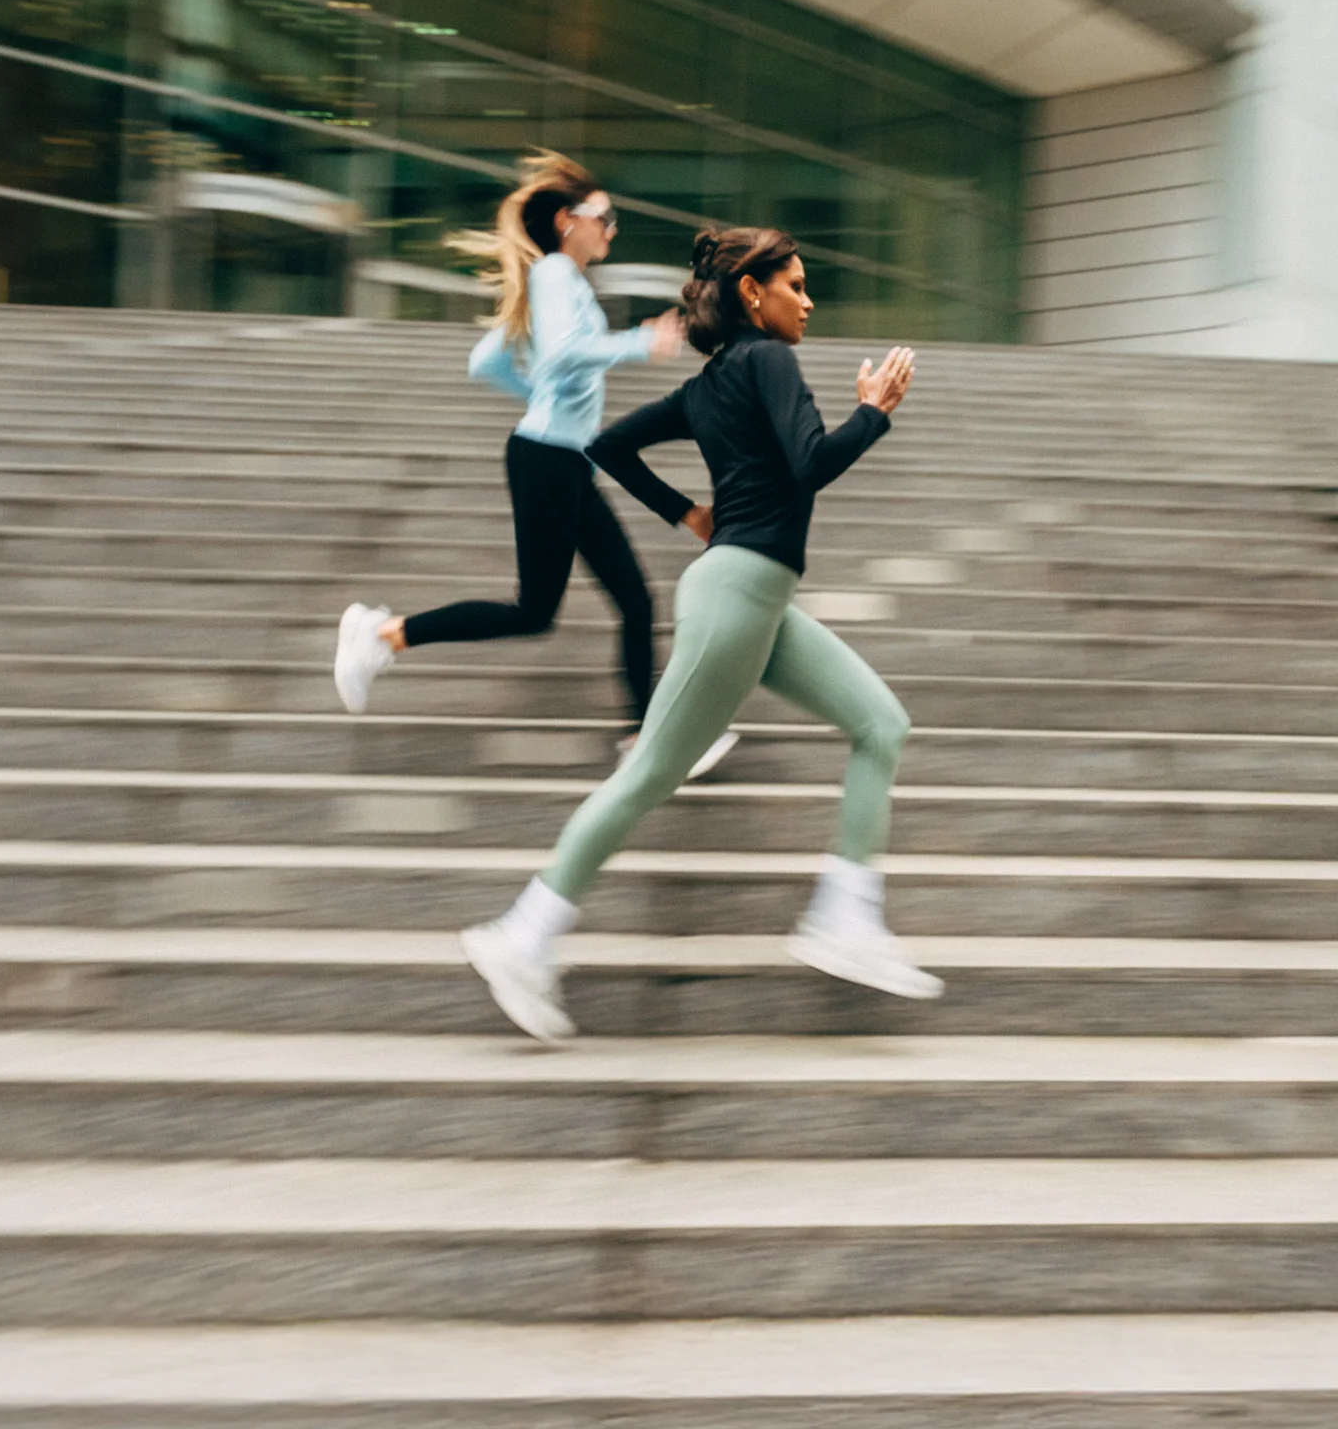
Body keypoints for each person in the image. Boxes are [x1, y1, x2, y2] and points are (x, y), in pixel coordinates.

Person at [461, 225, 932, 1043]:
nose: (808, 299)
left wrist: (687, 514)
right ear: (753, 292)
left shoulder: (715, 381)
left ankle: (845, 919)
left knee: (879, 724)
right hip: (738, 592)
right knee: (647, 772)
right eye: (795, 284)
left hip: (756, 596)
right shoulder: (767, 360)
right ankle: (522, 935)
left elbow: (609, 445)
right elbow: (813, 462)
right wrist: (874, 413)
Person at [332, 153, 733, 775]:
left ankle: (646, 738)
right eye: (606, 216)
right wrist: (637, 343)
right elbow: (563, 354)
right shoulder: (552, 276)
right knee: (539, 610)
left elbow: (487, 361)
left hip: (565, 462)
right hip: (548, 461)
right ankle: (382, 634)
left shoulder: (559, 283)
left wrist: (546, 395)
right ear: (567, 220)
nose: (613, 227)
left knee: (630, 598)